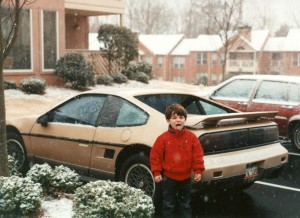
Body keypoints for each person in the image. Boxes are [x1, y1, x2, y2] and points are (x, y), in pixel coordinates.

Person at [150, 103, 205, 218]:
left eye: (181, 117)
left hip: (186, 178)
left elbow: (198, 155)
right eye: (174, 118)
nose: (178, 120)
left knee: (185, 204)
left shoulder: (191, 137)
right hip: (169, 178)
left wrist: (198, 170)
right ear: (168, 121)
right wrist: (156, 172)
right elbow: (155, 156)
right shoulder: (163, 138)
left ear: (185, 120)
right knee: (169, 204)